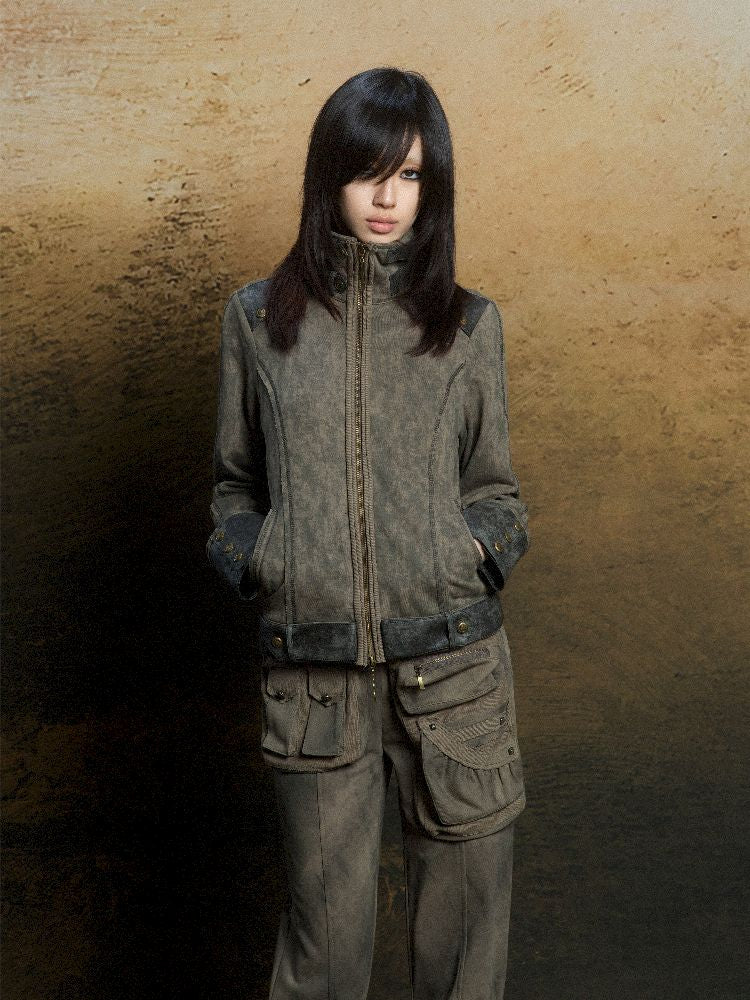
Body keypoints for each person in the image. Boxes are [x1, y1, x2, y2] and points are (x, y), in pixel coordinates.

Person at [206, 66, 530, 1000]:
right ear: (329, 178)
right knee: (322, 963)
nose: (388, 198)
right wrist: (270, 560)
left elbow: (498, 495)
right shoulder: (258, 323)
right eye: (367, 171)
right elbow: (233, 488)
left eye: (412, 175)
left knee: (464, 964)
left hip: (457, 682)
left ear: (435, 187)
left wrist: (468, 552)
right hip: (315, 685)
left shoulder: (468, 326)